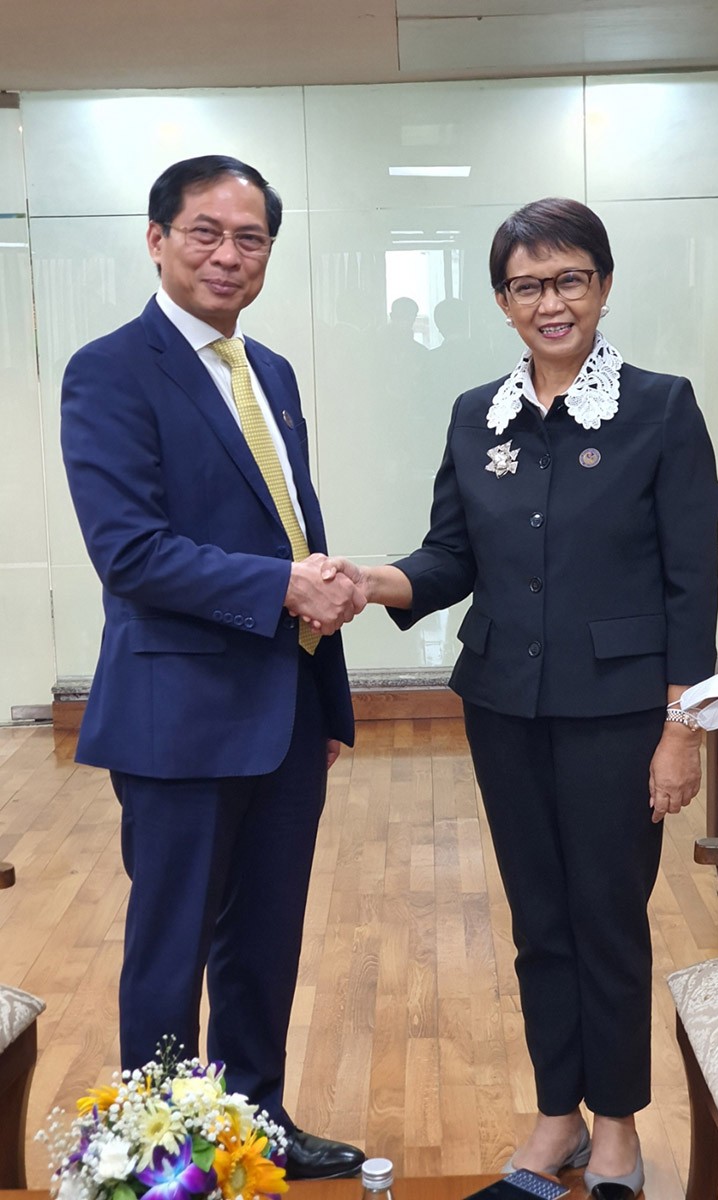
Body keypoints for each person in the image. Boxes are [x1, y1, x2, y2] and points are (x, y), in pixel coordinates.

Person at [325, 198, 718, 1199]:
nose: (552, 303)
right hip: (504, 702)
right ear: (501, 300)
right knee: (540, 918)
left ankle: (619, 1124)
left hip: (622, 708)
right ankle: (558, 1116)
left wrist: (683, 727)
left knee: (609, 916)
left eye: (570, 279)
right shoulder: (476, 414)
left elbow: (693, 583)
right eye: (528, 285)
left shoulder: (660, 407)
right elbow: (451, 557)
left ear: (603, 284)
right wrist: (371, 582)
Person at [60, 155, 367, 1180]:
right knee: (170, 949)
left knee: (263, 943)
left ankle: (253, 1123)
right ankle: (161, 1155)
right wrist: (286, 585)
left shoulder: (266, 371)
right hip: (177, 714)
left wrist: (325, 697)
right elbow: (130, 551)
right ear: (156, 239)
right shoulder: (110, 369)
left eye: (250, 238)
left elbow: (294, 526)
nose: (228, 255)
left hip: (282, 712)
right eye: (205, 232)